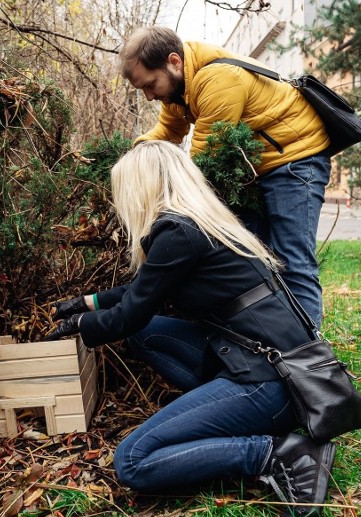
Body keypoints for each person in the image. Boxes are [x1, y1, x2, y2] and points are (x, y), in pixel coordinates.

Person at [48, 141, 336, 517]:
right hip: (275, 368)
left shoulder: (178, 234)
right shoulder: (202, 225)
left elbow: (127, 317)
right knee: (147, 333)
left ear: (141, 187)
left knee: (133, 460)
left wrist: (80, 325)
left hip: (268, 383)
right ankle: (214, 414)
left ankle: (282, 454)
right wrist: (89, 302)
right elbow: (149, 290)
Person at [119, 26, 331, 328]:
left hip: (295, 158)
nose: (150, 96)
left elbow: (203, 163)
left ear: (174, 61)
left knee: (292, 260)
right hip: (255, 167)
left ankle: (311, 358)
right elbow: (168, 132)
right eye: (143, 89)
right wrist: (132, 157)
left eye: (151, 85)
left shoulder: (217, 81)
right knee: (254, 258)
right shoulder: (179, 86)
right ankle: (275, 338)